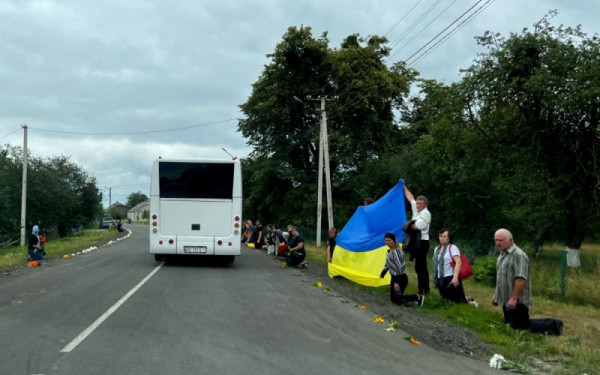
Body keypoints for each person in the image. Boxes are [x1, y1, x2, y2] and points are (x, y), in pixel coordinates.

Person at [492, 229, 563, 335]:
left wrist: (514, 298)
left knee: (521, 327)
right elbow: (502, 277)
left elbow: (521, 278)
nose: (497, 243)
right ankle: (511, 321)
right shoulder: (503, 254)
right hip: (507, 299)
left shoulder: (519, 256)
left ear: (510, 240)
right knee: (509, 324)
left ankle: (553, 324)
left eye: (500, 240)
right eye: (496, 240)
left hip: (518, 301)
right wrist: (496, 295)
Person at [380, 232, 424, 307]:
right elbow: (388, 264)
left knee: (396, 300)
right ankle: (405, 300)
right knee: (394, 299)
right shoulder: (388, 252)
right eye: (386, 240)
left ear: (393, 241)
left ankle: (418, 297)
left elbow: (399, 267)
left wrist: (396, 282)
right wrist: (383, 273)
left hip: (400, 278)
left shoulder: (397, 252)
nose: (387, 242)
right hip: (394, 277)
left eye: (389, 240)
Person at [404, 184, 432, 295]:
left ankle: (424, 289)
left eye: (421, 204)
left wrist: (407, 224)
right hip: (415, 241)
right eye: (418, 203)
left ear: (425, 205)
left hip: (422, 242)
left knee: (421, 266)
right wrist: (404, 186)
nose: (418, 205)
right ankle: (422, 288)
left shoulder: (426, 214)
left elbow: (415, 227)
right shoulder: (416, 208)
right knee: (418, 266)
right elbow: (410, 197)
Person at [432, 229, 467, 303]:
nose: (442, 238)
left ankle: (472, 303)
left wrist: (455, 278)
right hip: (440, 278)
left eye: (444, 236)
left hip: (450, 277)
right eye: (440, 236)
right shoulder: (436, 249)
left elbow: (458, 262)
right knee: (445, 300)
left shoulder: (452, 248)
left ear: (449, 238)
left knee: (457, 301)